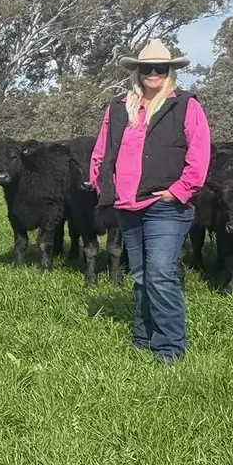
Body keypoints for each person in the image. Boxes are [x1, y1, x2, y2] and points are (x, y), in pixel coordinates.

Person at [89, 39, 211, 365]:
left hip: (166, 205)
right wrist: (103, 184)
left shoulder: (185, 105)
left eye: (160, 68)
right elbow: (102, 150)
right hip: (127, 204)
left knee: (159, 273)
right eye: (147, 68)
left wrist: (180, 190)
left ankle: (169, 347)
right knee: (141, 274)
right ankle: (143, 339)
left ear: (170, 71)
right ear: (138, 71)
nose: (153, 73)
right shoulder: (119, 107)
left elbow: (199, 154)